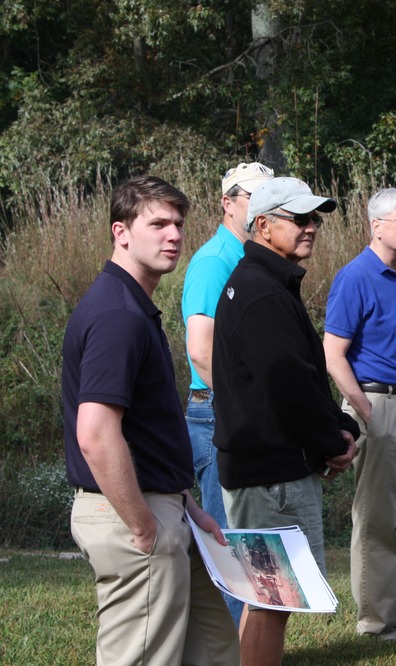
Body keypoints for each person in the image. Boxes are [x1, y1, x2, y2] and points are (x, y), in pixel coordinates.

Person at [62, 175, 240, 665]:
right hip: (131, 514)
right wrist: (143, 527)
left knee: (214, 651)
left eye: (179, 223)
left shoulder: (136, 308)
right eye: (158, 223)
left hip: (166, 505)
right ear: (121, 232)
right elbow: (96, 434)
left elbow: (144, 431)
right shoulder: (117, 315)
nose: (174, 235)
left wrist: (186, 502)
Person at [212, 177, 360, 666]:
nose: (311, 228)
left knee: (270, 599)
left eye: (314, 219)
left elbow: (294, 377)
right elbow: (288, 385)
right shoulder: (260, 291)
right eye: (299, 219)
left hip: (265, 470)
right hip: (270, 475)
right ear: (263, 224)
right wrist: (333, 439)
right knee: (274, 599)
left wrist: (337, 429)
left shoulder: (264, 284)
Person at [323, 187, 396, 642]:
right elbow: (334, 355)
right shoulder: (354, 277)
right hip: (378, 404)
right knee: (377, 522)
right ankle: (377, 627)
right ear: (376, 226)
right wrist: (364, 410)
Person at [182, 161, 274, 626]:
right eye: (250, 196)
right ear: (227, 202)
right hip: (219, 413)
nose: (259, 207)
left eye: (267, 198)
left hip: (241, 412)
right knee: (229, 540)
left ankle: (245, 647)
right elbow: (201, 352)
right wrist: (249, 410)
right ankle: (229, 653)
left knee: (250, 536)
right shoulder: (214, 261)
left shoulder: (251, 259)